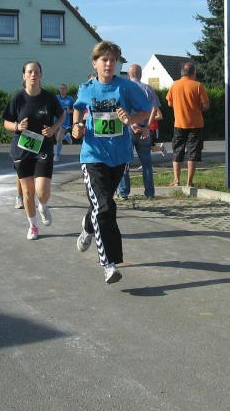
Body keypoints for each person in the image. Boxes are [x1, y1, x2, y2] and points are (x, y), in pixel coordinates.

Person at [72, 42, 151, 284]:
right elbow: (78, 109)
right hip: (92, 156)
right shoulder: (87, 88)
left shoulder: (125, 87)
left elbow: (146, 110)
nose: (108, 64)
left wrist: (130, 119)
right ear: (94, 63)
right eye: (104, 59)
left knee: (101, 205)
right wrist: (76, 126)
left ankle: (88, 226)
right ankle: (109, 264)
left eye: (113, 60)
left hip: (118, 157)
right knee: (105, 207)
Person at [2, 61, 64, 240]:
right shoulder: (18, 98)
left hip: (43, 146)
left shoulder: (48, 97)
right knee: (28, 191)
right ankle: (33, 226)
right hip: (22, 149)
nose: (33, 74)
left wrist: (53, 129)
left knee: (42, 191)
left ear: (41, 75)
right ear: (24, 76)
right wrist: (17, 126)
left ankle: (43, 205)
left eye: (36, 71)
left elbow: (61, 115)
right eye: (29, 72)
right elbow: (6, 122)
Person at [118, 64, 161, 199]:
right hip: (145, 128)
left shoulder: (124, 89)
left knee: (125, 161)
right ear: (141, 75)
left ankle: (124, 192)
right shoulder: (148, 88)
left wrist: (132, 123)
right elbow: (154, 108)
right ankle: (149, 192)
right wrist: (147, 126)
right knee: (146, 162)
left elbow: (121, 109)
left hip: (128, 128)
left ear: (128, 75)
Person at [166, 61, 209, 188]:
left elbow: (169, 103)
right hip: (196, 125)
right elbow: (206, 105)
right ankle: (189, 182)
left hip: (179, 124)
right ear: (193, 73)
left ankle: (176, 180)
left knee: (177, 151)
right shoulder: (198, 86)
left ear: (182, 73)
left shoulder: (174, 85)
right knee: (193, 153)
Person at [54, 83, 75, 162]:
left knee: (59, 138)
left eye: (63, 88)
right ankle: (66, 137)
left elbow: (76, 108)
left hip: (65, 121)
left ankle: (57, 155)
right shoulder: (56, 98)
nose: (62, 90)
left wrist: (70, 111)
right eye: (60, 88)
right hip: (56, 120)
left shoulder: (70, 99)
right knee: (57, 138)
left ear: (66, 90)